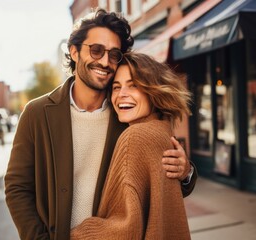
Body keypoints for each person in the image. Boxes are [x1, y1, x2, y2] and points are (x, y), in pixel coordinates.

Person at [4, 8, 196, 240]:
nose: (105, 61)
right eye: (96, 50)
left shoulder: (127, 115)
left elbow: (156, 187)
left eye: (114, 54)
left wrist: (186, 172)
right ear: (74, 52)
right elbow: (17, 187)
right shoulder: (37, 113)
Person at [70, 52, 191, 239]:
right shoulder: (163, 131)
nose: (121, 95)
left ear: (153, 92)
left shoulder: (135, 136)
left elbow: (126, 230)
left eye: (133, 85)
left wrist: (75, 234)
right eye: (116, 88)